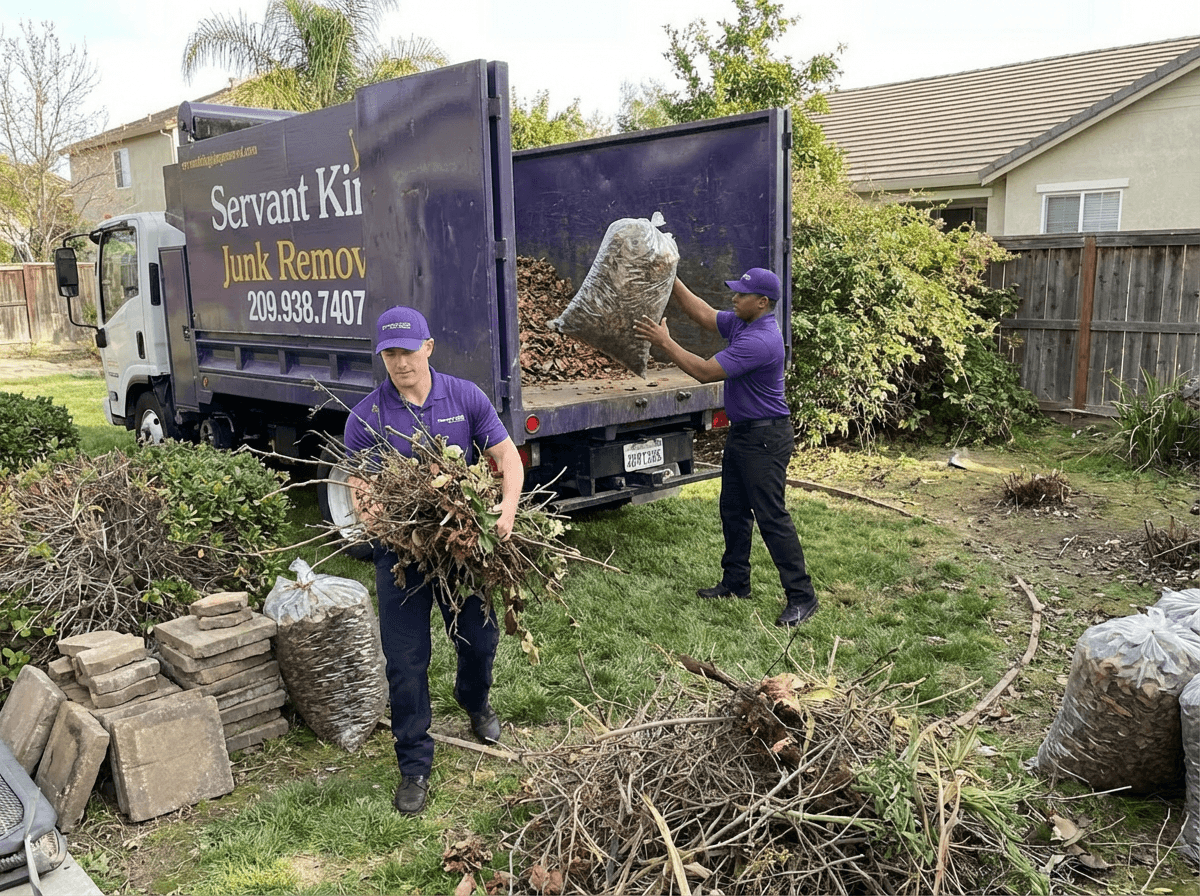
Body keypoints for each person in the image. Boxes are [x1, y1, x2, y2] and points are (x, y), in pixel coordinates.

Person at [344, 305, 524, 815]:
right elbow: (363, 493)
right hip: (401, 553)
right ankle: (414, 762)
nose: (400, 363)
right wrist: (393, 530)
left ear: (428, 347)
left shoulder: (464, 397)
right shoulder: (367, 415)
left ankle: (475, 701)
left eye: (408, 351)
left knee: (480, 639)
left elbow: (508, 459)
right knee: (404, 662)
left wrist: (504, 512)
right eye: (390, 354)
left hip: (463, 549)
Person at [633, 267, 819, 627]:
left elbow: (704, 372)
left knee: (771, 517)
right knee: (733, 510)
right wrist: (670, 277)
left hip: (766, 438)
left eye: (740, 295)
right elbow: (701, 312)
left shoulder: (762, 339)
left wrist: (665, 342)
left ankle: (802, 596)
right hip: (744, 433)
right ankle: (736, 581)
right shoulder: (742, 323)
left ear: (762, 302)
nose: (733, 299)